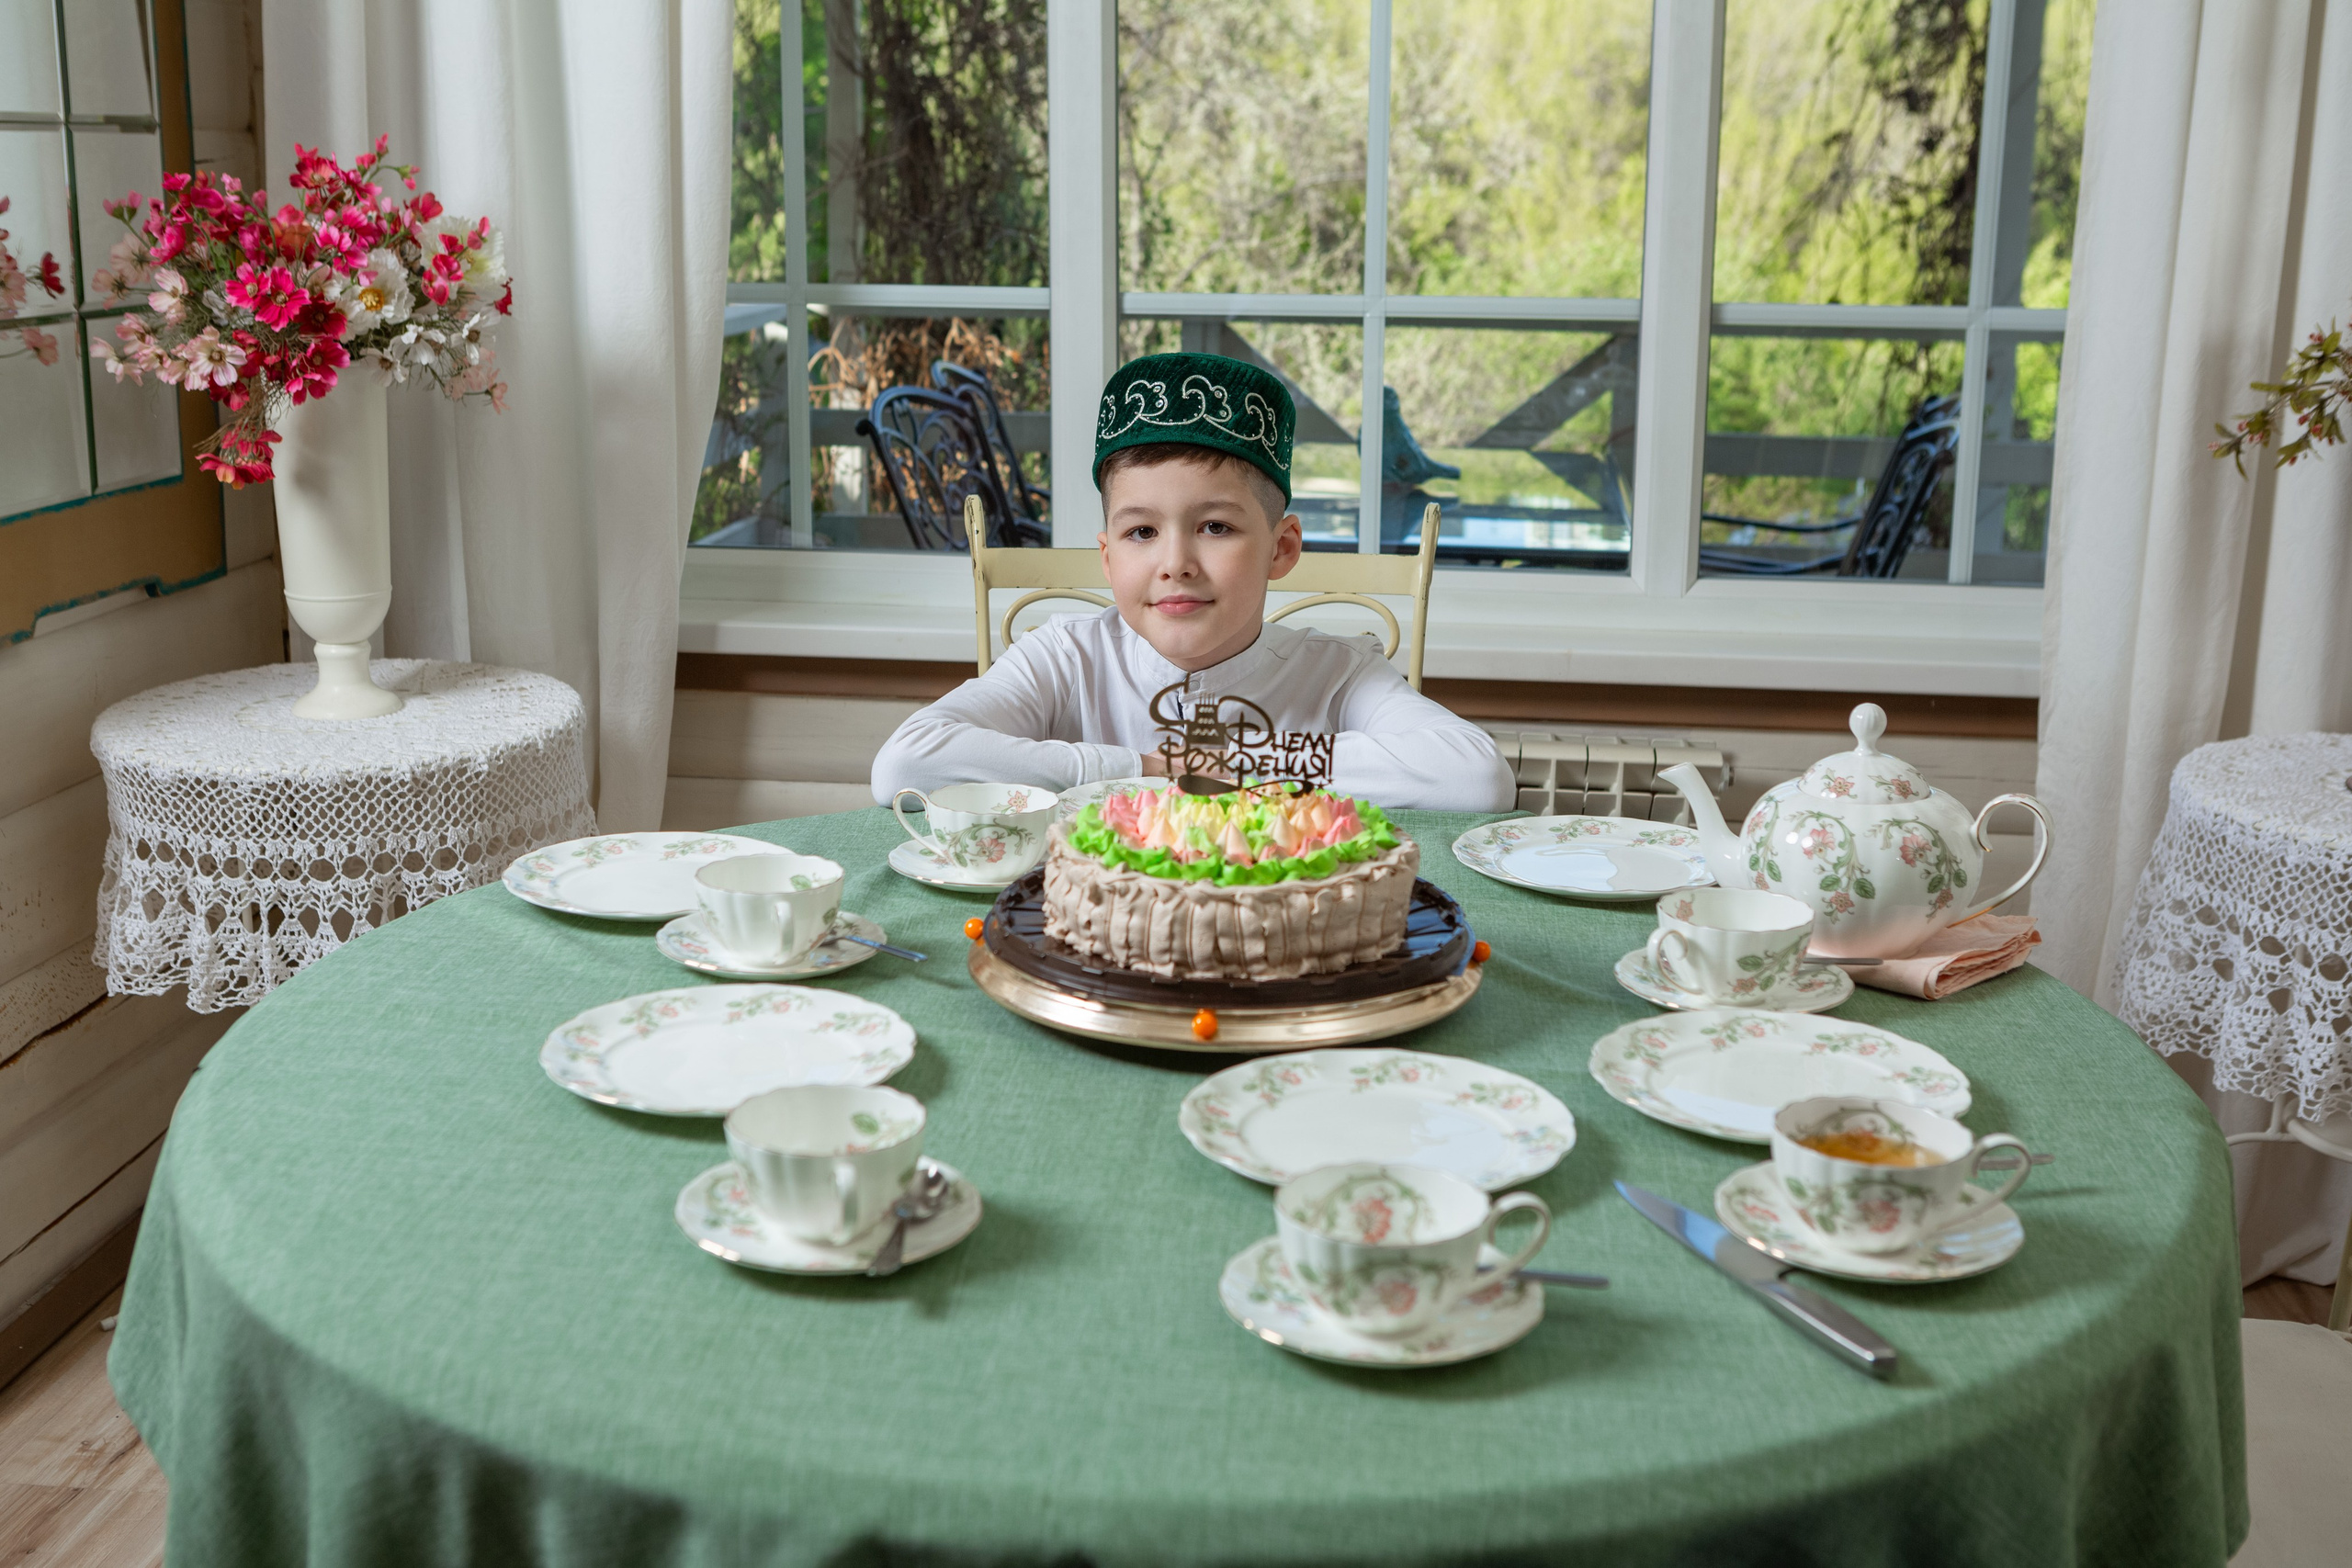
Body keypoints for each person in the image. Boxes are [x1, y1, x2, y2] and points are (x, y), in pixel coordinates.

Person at [868, 352, 1517, 812]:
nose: (1174, 563)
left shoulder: (1336, 673)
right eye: (1141, 533)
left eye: (1214, 527)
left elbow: (1477, 776)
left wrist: (1238, 761)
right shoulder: (1066, 658)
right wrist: (1139, 768)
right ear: (1107, 556)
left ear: (1281, 548)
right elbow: (907, 763)